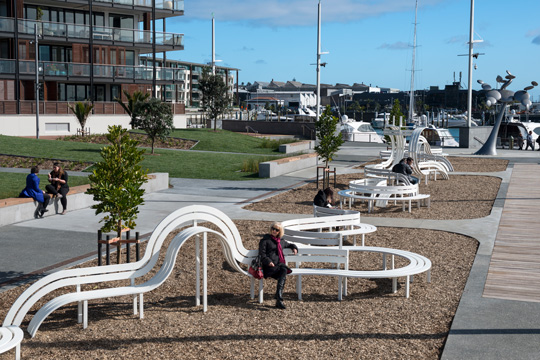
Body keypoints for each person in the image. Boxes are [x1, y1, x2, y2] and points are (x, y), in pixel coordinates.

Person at [258, 222, 298, 309]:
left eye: (276, 230)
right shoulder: (265, 240)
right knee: (283, 270)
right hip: (269, 267)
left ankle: (278, 298)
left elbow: (289, 244)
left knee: (283, 270)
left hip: (278, 266)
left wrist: (294, 247)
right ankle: (278, 298)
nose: (274, 231)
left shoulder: (281, 241)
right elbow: (262, 254)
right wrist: (268, 261)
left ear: (280, 232)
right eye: (273, 228)